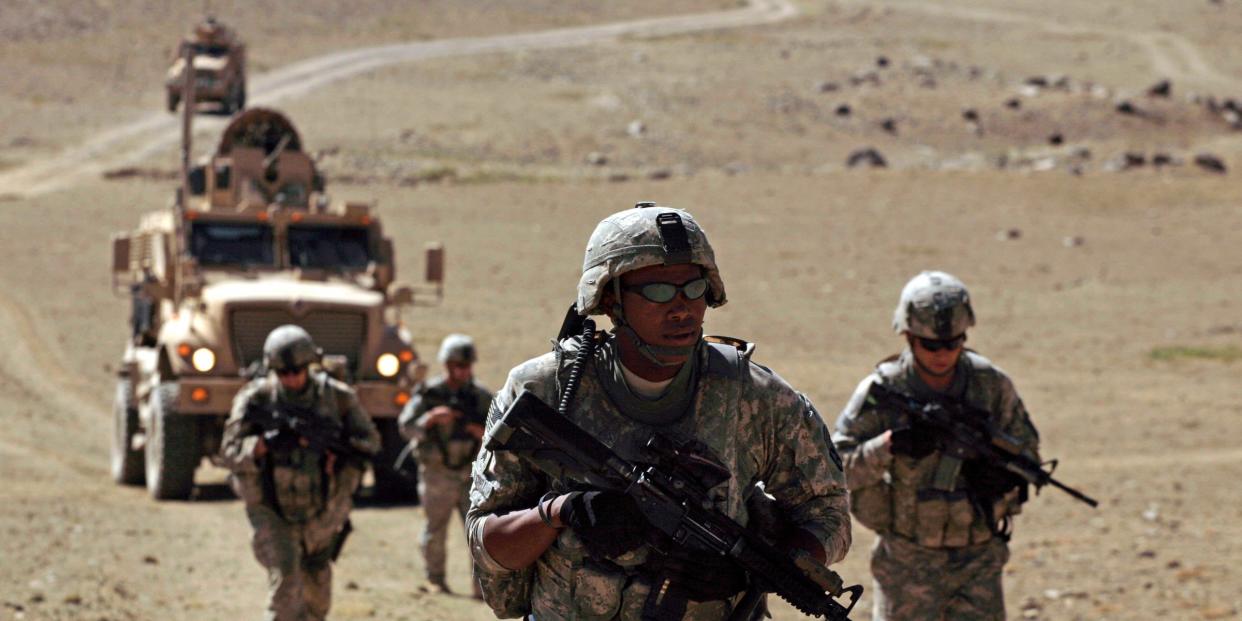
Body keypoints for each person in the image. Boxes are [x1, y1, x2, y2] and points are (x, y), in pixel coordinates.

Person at [466, 202, 852, 620]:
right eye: (659, 291)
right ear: (610, 298)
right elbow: (488, 544)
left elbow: (828, 513)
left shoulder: (757, 397)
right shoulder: (544, 389)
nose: (682, 308)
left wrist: (748, 575)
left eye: (693, 288)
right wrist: (561, 512)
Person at [833, 271, 1040, 621]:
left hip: (978, 559)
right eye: (931, 345)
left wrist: (1002, 476)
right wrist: (890, 445)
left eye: (953, 343)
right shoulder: (881, 391)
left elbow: (1029, 456)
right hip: (907, 562)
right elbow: (835, 469)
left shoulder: (990, 386)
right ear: (908, 336)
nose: (942, 353)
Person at [220, 324, 381, 621]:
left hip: (324, 510)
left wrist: (337, 448)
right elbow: (228, 451)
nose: (291, 379)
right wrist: (262, 445)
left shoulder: (338, 398)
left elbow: (371, 442)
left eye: (297, 371)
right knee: (285, 584)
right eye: (283, 373)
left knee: (317, 595)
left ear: (309, 365)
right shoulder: (257, 399)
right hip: (271, 508)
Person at [398, 333, 492, 596]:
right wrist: (429, 419)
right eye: (457, 366)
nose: (462, 372)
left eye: (466, 366)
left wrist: (482, 433)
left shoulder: (481, 397)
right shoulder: (429, 394)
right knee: (434, 530)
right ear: (446, 365)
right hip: (436, 475)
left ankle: (481, 587)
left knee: (478, 532)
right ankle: (435, 580)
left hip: (471, 476)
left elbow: (500, 433)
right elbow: (405, 426)